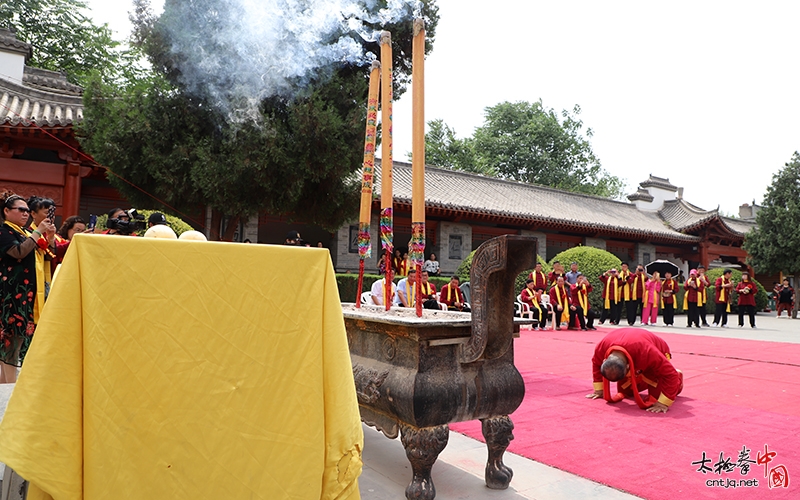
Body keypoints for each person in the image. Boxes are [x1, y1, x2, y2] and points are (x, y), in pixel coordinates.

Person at [0, 192, 56, 383]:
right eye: (20, 210)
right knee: (11, 339)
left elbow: (48, 254)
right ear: (6, 211)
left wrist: (50, 236)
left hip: (25, 294)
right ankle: (9, 384)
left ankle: (5, 383)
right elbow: (18, 252)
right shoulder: (4, 231)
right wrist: (39, 230)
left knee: (19, 338)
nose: (25, 214)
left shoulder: (23, 232)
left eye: (26, 210)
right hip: (11, 293)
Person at [586, 328, 683, 414]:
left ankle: (678, 381)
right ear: (604, 360)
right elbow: (596, 364)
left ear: (628, 367)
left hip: (656, 349)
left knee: (656, 397)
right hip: (631, 348)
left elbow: (670, 374)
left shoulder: (648, 352)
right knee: (625, 391)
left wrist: (663, 403)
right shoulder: (601, 348)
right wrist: (599, 390)